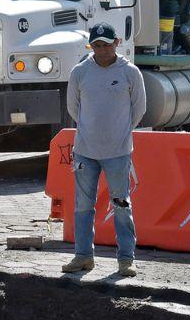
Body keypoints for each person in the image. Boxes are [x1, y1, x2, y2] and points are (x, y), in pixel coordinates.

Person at [63, 22, 147, 277]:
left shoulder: (130, 73)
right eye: (97, 46)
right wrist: (90, 130)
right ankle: (83, 256)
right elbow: (73, 108)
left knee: (121, 203)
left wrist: (119, 132)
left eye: (106, 45)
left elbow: (139, 109)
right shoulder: (80, 72)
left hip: (118, 152)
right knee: (83, 205)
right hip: (85, 152)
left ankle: (126, 259)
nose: (102, 51)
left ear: (117, 43)